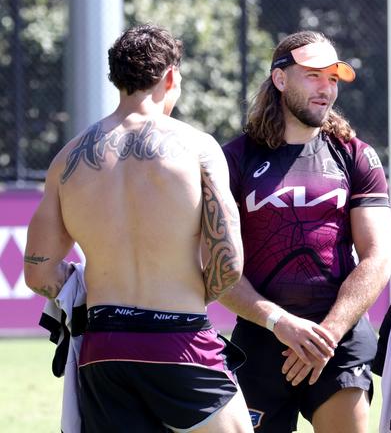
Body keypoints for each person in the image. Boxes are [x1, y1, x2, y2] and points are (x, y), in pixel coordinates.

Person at [24, 24, 254, 433]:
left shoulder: (67, 159)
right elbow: (229, 262)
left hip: (104, 348)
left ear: (117, 79)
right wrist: (193, 295)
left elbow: (39, 272)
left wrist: (83, 280)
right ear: (169, 77)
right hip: (179, 341)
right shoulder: (197, 147)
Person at [220, 30, 391, 432]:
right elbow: (216, 266)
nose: (326, 89)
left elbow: (377, 258)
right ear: (280, 79)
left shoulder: (356, 155)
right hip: (262, 339)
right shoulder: (234, 159)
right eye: (314, 75)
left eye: (333, 79)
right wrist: (280, 323)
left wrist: (325, 336)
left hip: (338, 340)